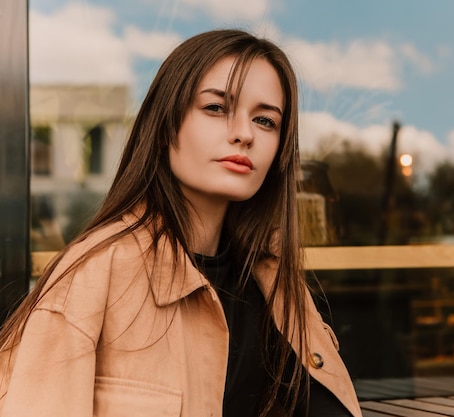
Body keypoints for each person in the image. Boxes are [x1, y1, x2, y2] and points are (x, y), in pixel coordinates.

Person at [0, 29, 362, 417]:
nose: (244, 134)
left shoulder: (274, 279)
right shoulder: (93, 276)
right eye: (215, 108)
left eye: (265, 120)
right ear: (165, 124)